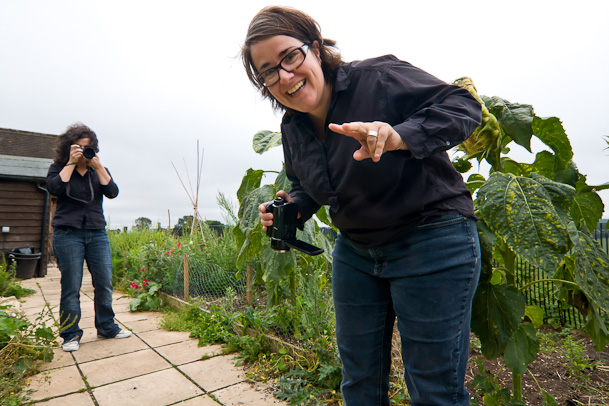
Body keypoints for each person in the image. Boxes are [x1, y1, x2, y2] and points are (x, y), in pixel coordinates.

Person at [242, 6, 483, 406]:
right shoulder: (292, 127)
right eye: (268, 71)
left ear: (315, 49)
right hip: (355, 253)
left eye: (290, 56)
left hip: (432, 241)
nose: (284, 76)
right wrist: (292, 208)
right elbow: (308, 186)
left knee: (434, 391)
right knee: (359, 383)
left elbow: (463, 108)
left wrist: (399, 135)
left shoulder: (378, 78)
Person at [46, 123, 131, 352]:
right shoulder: (58, 167)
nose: (85, 151)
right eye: (79, 147)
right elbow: (55, 188)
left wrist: (99, 165)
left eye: (89, 147)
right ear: (69, 148)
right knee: (71, 286)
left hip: (97, 232)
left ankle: (107, 326)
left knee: (104, 282)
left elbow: (112, 192)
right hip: (67, 233)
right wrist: (72, 163)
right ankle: (70, 334)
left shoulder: (98, 170)